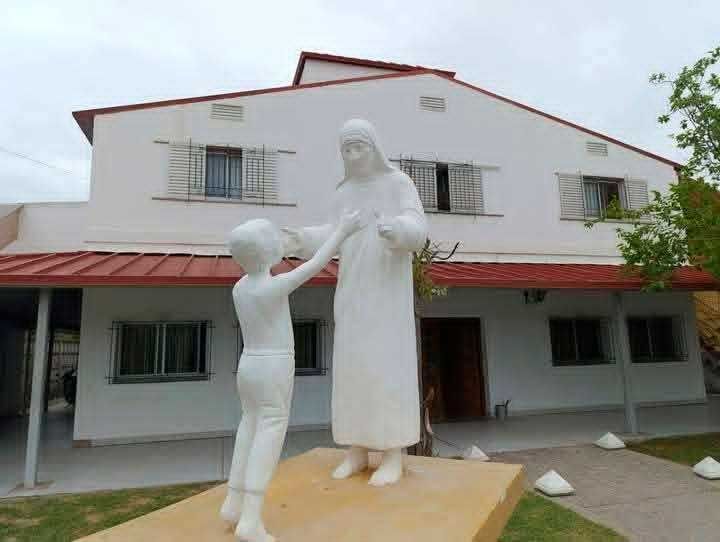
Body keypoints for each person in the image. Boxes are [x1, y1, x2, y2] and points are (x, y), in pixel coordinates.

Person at [284, 118, 428, 487]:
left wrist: (398, 230)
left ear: (374, 147)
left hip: (387, 295)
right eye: (346, 149)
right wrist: (301, 239)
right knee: (353, 371)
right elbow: (331, 234)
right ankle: (357, 449)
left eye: (359, 147)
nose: (353, 155)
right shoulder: (343, 193)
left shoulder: (398, 183)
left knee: (386, 370)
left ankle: (393, 453)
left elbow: (418, 228)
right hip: (352, 292)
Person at [221, 211, 364, 542]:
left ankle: (233, 502)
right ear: (268, 253)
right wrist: (342, 231)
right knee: (269, 433)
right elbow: (315, 264)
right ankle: (250, 519)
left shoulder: (240, 288)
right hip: (273, 366)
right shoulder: (272, 287)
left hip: (248, 364)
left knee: (248, 426)